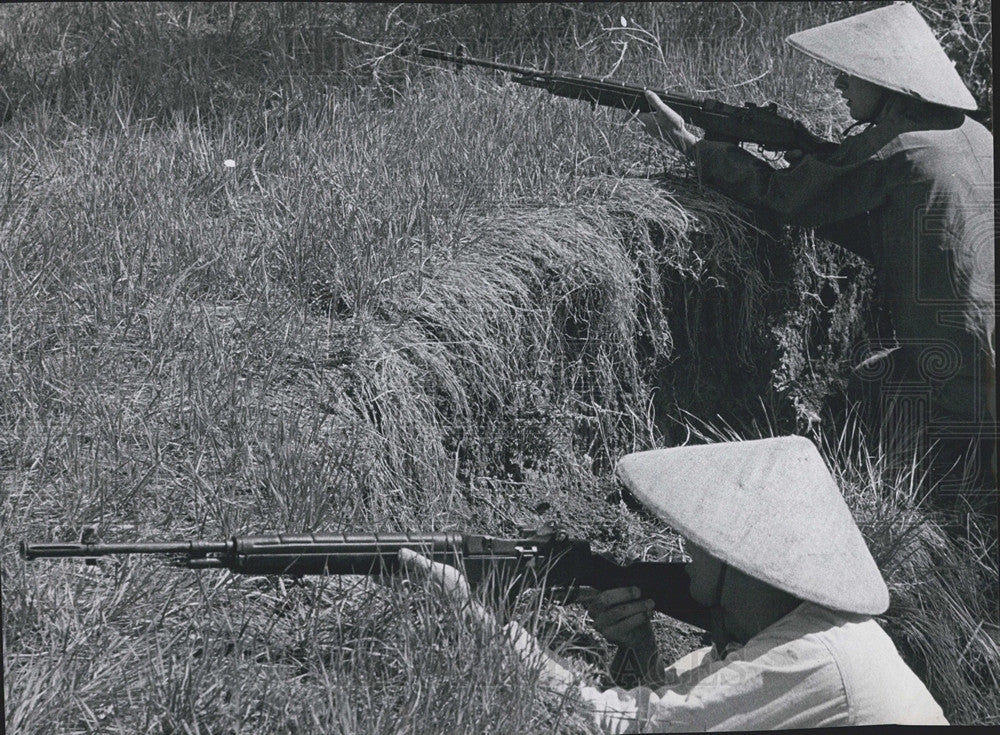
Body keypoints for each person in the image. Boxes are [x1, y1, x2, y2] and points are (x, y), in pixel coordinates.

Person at [637, 3, 995, 514]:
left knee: (871, 423)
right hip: (979, 352)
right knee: (872, 384)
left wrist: (691, 145)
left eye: (850, 74)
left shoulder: (897, 149)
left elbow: (784, 199)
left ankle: (897, 520)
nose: (837, 84)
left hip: (960, 373)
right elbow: (879, 221)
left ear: (891, 83)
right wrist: (809, 156)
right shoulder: (973, 135)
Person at [399, 436, 948, 730]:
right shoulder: (798, 636)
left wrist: (476, 620)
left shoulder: (813, 656)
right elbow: (673, 704)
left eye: (700, 538)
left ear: (742, 556)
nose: (684, 550)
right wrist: (638, 648)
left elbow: (617, 726)